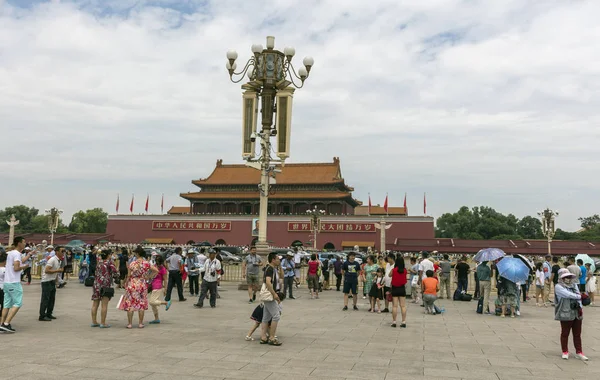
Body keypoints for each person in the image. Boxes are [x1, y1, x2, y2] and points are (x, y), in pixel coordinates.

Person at [0, 237, 33, 333]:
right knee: (18, 303)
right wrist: (25, 267)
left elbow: (19, 261)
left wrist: (28, 255)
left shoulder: (10, 253)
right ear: (19, 243)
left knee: (6, 304)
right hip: (14, 282)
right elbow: (16, 268)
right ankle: (6, 323)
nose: (25, 244)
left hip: (7, 282)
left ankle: (2, 324)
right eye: (23, 242)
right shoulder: (17, 254)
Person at [119, 248, 157, 329]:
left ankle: (129, 324)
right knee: (142, 303)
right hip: (142, 283)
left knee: (130, 303)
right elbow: (156, 270)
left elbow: (129, 275)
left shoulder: (132, 263)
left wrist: (125, 283)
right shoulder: (146, 263)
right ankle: (140, 323)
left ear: (137, 254)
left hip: (132, 283)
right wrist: (149, 277)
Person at [554, 268, 587, 361]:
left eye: (569, 276)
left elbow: (577, 297)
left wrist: (580, 308)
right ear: (561, 277)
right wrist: (580, 296)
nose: (568, 278)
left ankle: (579, 352)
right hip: (565, 313)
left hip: (576, 312)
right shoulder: (558, 287)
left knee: (577, 334)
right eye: (565, 277)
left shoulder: (574, 285)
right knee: (565, 333)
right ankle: (565, 351)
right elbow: (567, 295)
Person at [91, 250, 118, 328]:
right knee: (104, 304)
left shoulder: (99, 262)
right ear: (108, 255)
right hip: (105, 285)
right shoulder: (109, 263)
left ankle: (94, 321)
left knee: (95, 304)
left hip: (96, 284)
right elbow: (115, 273)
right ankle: (103, 322)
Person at [260, 252, 282, 346]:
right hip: (270, 295)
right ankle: (272, 337)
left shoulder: (272, 268)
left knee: (266, 316)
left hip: (268, 295)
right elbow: (268, 282)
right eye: (277, 259)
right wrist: (274, 294)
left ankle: (263, 337)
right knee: (276, 315)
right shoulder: (270, 269)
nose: (279, 260)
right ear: (273, 260)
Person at [39, 246, 65, 321]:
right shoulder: (52, 259)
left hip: (52, 280)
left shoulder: (58, 260)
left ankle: (49, 313)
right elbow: (47, 270)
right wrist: (57, 271)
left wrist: (56, 281)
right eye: (61, 251)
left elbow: (56, 272)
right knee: (45, 299)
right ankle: (42, 315)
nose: (62, 253)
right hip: (46, 281)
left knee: (51, 299)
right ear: (57, 252)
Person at [148, 256, 171, 324]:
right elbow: (150, 275)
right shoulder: (154, 266)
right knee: (153, 305)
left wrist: (166, 289)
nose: (158, 264)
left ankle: (166, 303)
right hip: (153, 285)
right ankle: (156, 318)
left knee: (152, 301)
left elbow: (166, 280)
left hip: (158, 286)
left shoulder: (163, 269)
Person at [388, 254, 408, 328]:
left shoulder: (394, 270)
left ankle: (394, 322)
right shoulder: (405, 270)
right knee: (403, 306)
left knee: (394, 306)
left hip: (395, 288)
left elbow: (389, 275)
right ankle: (403, 321)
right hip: (402, 288)